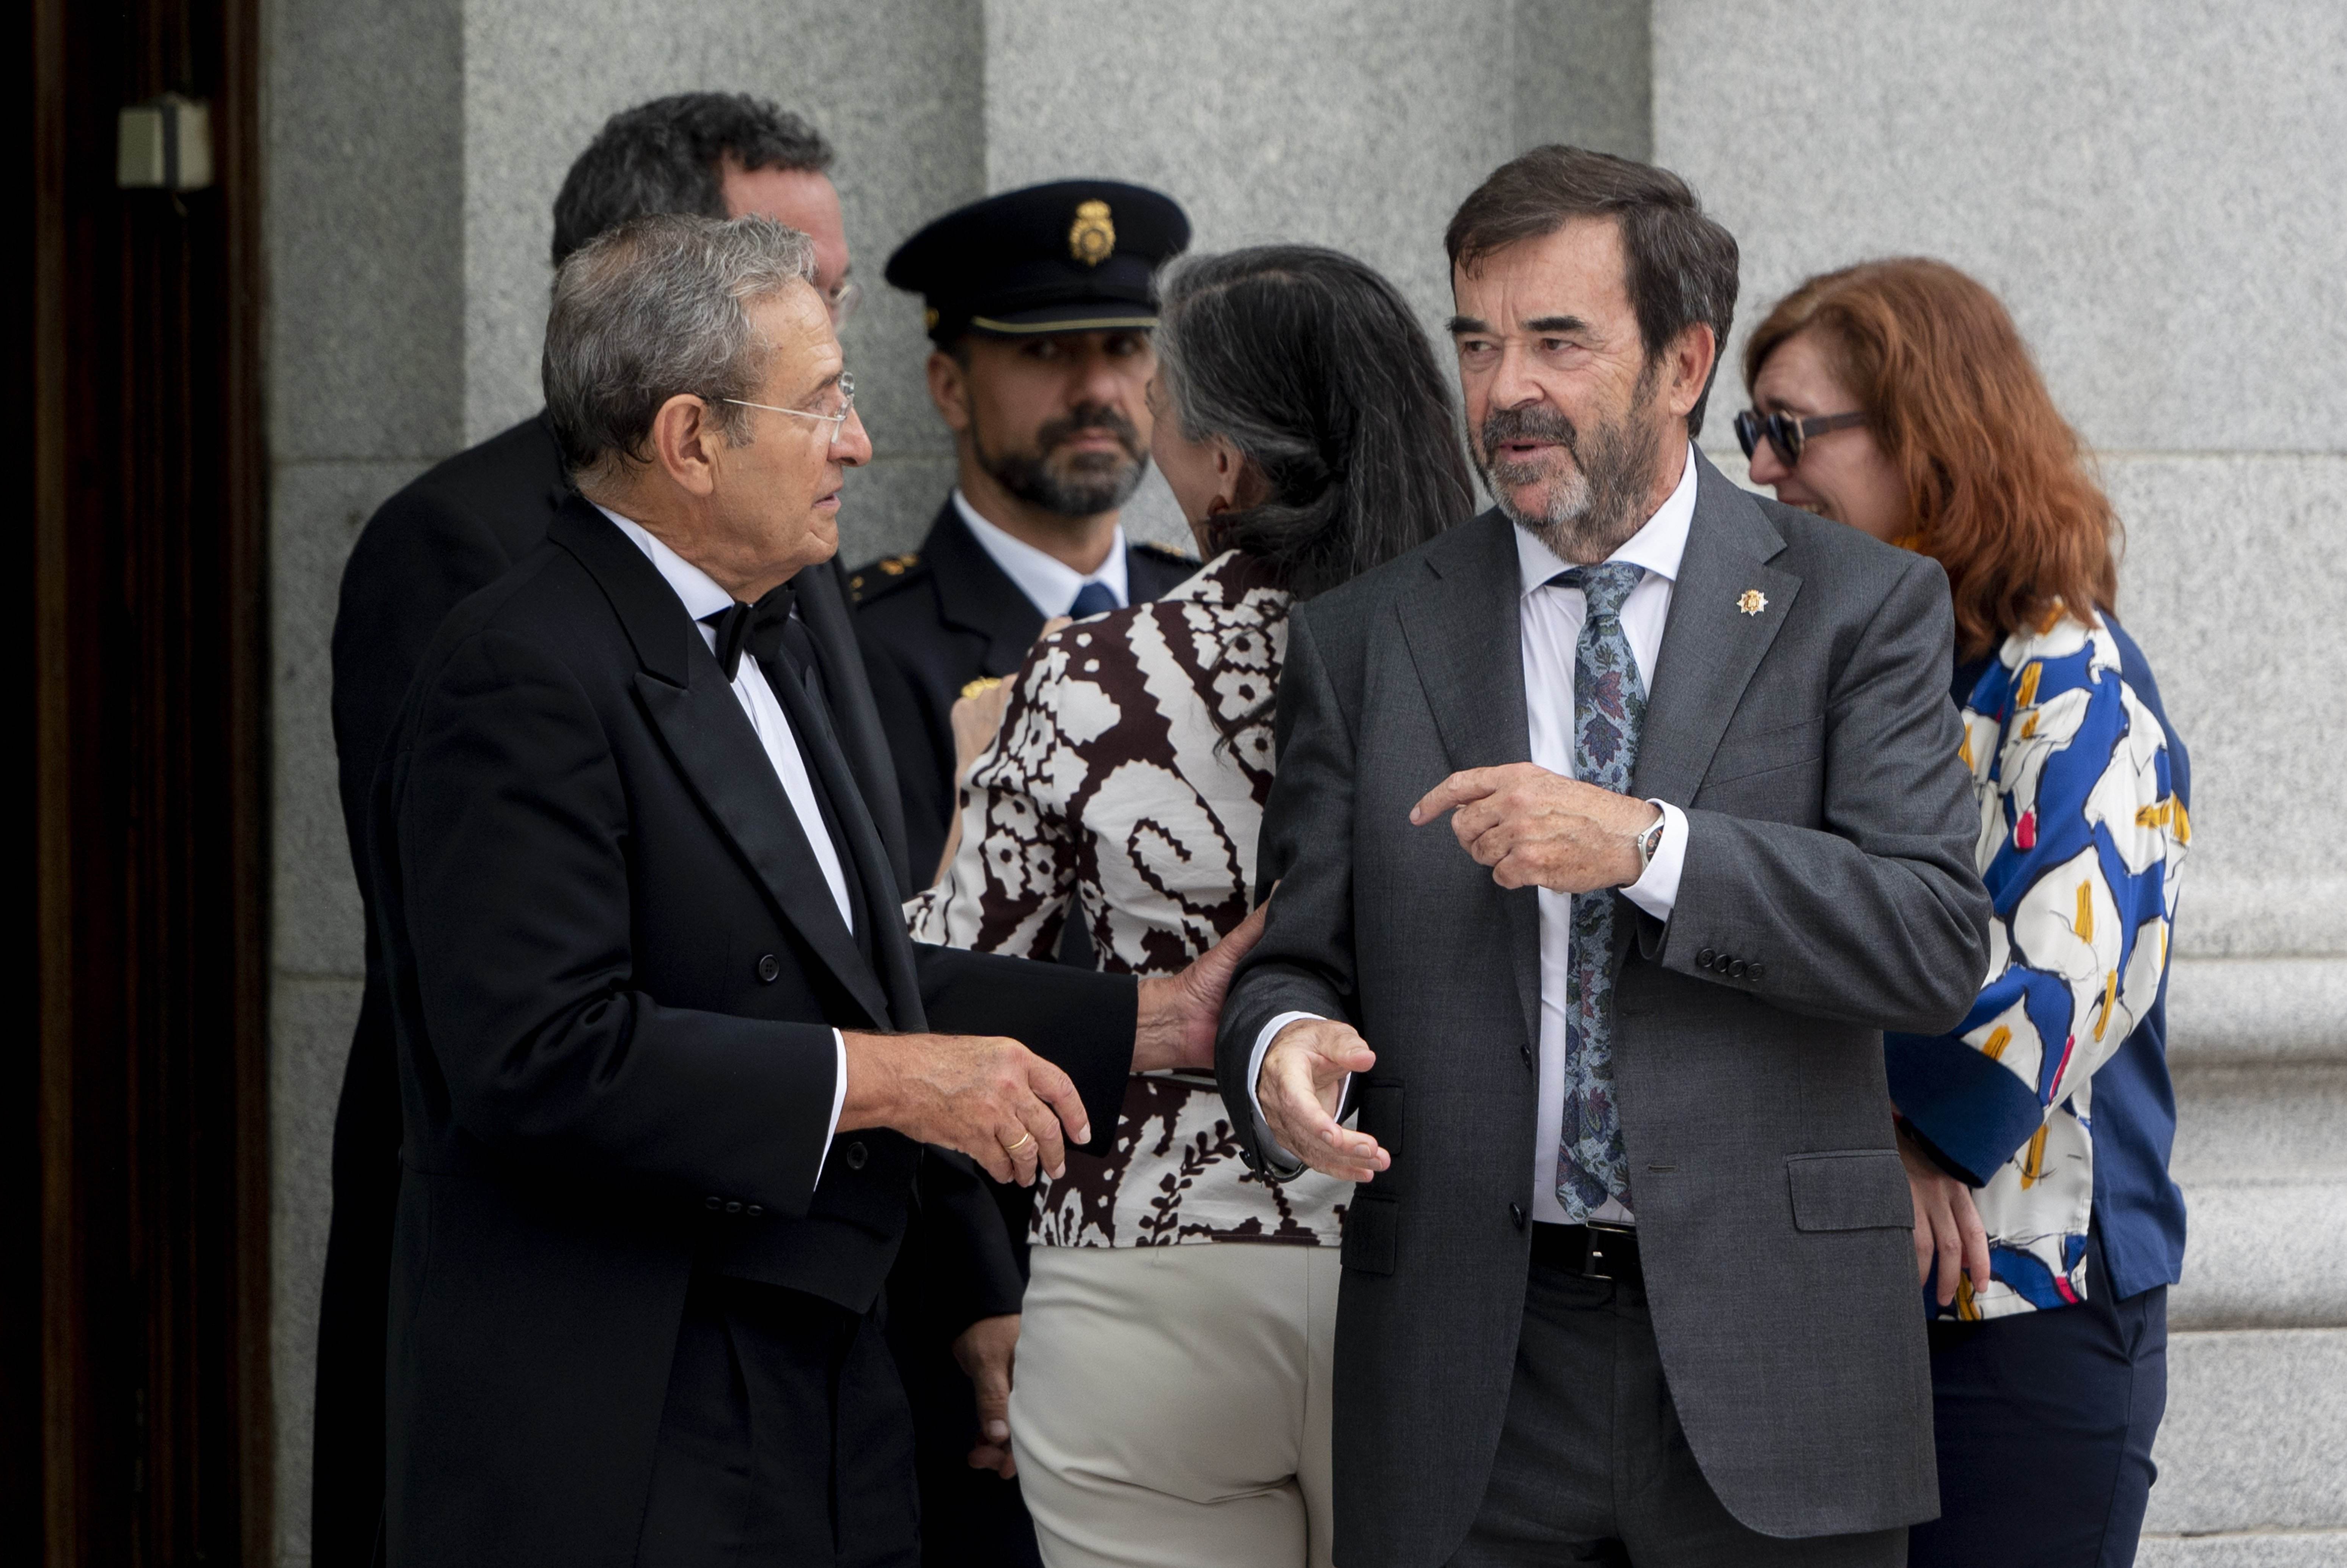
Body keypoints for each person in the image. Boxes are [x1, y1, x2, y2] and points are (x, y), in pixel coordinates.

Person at [369, 213, 1252, 1566]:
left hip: (826, 1380)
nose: (859, 443)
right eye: (825, 402)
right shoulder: (519, 668)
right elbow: (540, 1057)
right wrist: (896, 1083)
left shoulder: (768, 628)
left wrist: (1152, 1020)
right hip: (631, 1410)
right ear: (690, 440)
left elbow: (851, 967)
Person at [1216, 145, 1995, 1568]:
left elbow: (1931, 938)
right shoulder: (1366, 636)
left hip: (1777, 1366)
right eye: (1477, 343)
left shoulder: (1859, 607)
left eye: (1558, 342)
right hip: (1472, 1376)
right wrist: (1279, 1049)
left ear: (1685, 362)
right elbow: (1294, 960)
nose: (1505, 389)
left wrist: (1646, 845)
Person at [317, 93, 869, 1566]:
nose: (828, 330)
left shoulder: (782, 539)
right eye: (792, 279)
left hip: (801, 1321)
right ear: (659, 282)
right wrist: (880, 1077)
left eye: (828, 286)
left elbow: (842, 932)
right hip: (588, 1334)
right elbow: (510, 989)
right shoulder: (469, 557)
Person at [908, 245, 1475, 1568]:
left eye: (1161, 401)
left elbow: (944, 977)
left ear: (1226, 465)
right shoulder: (1503, 657)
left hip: (1150, 1271)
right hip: (1444, 1270)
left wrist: (975, 774)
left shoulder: (1093, 673)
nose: (1144, 422)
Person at [1740, 257, 2190, 1568]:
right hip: (1845, 1293)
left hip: (2027, 1320)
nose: (1760, 467)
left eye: (1792, 431)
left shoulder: (2068, 677)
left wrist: (1907, 1128)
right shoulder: (1829, 666)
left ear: (1926, 434)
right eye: (1753, 430)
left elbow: (2068, 966)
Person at [854, 181, 1203, 899]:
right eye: (1046, 350)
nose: (1097, 389)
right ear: (951, 389)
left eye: (1125, 346)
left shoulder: (1204, 610)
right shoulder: (864, 654)